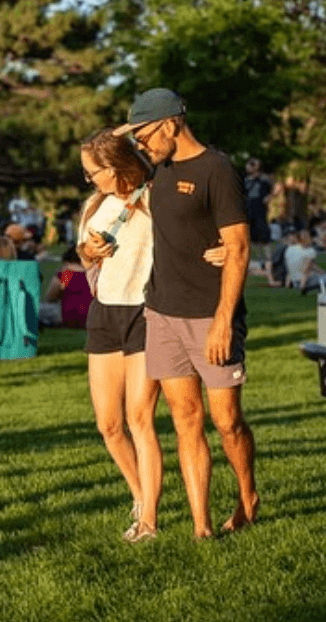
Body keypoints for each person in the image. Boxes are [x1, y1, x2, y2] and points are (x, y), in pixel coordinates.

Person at [115, 87, 259, 539]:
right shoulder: (157, 170)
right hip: (162, 312)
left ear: (171, 123)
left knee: (227, 422)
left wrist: (222, 321)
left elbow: (237, 249)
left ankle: (247, 495)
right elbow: (104, 153)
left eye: (143, 135)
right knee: (185, 419)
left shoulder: (217, 169)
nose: (141, 144)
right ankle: (201, 527)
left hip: (209, 315)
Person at [77, 129, 161, 541]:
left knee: (139, 419)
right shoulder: (96, 203)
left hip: (146, 312)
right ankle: (140, 495)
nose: (88, 179)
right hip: (105, 313)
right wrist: (90, 252)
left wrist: (124, 133)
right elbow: (82, 253)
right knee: (109, 425)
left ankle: (149, 521)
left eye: (92, 171)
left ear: (115, 168)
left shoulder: (156, 196)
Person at [38, 245, 91, 329]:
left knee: (36, 308)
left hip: (66, 315)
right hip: (89, 317)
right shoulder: (93, 274)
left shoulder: (65, 273)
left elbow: (50, 297)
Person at [244, 158, 274, 281]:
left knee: (265, 241)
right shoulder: (244, 181)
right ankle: (257, 267)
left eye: (252, 164)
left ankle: (268, 269)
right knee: (251, 242)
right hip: (249, 215)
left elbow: (274, 189)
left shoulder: (264, 180)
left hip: (260, 215)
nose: (249, 166)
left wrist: (269, 198)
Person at [285, 229, 326, 293]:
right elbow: (307, 268)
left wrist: (287, 284)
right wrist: (303, 285)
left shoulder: (289, 249)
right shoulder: (310, 251)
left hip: (294, 282)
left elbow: (289, 268)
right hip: (304, 282)